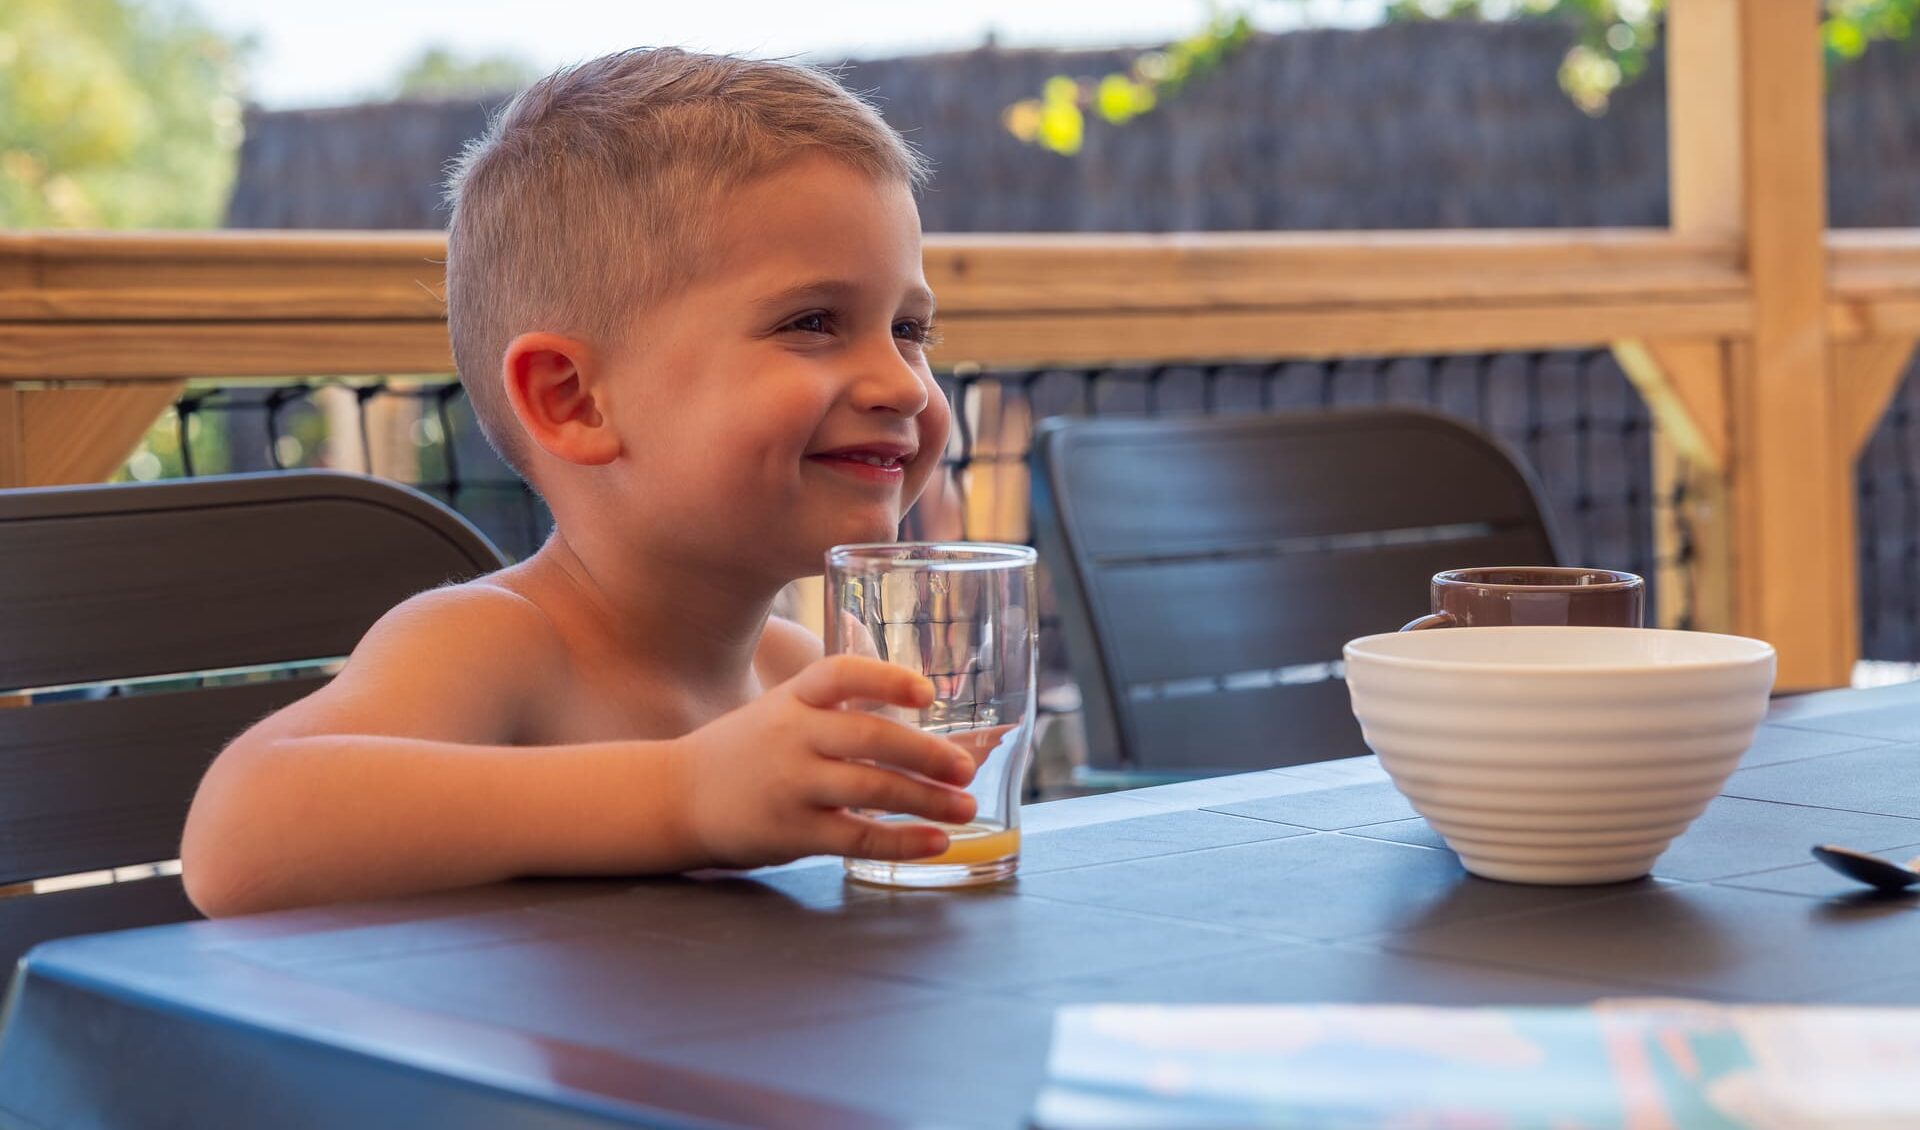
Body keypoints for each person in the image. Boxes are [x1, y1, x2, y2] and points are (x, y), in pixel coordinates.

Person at [181, 48, 976, 917]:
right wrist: (684, 795)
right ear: (575, 401)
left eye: (909, 328)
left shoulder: (797, 675)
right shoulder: (497, 645)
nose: (904, 384)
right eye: (813, 322)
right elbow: (238, 839)